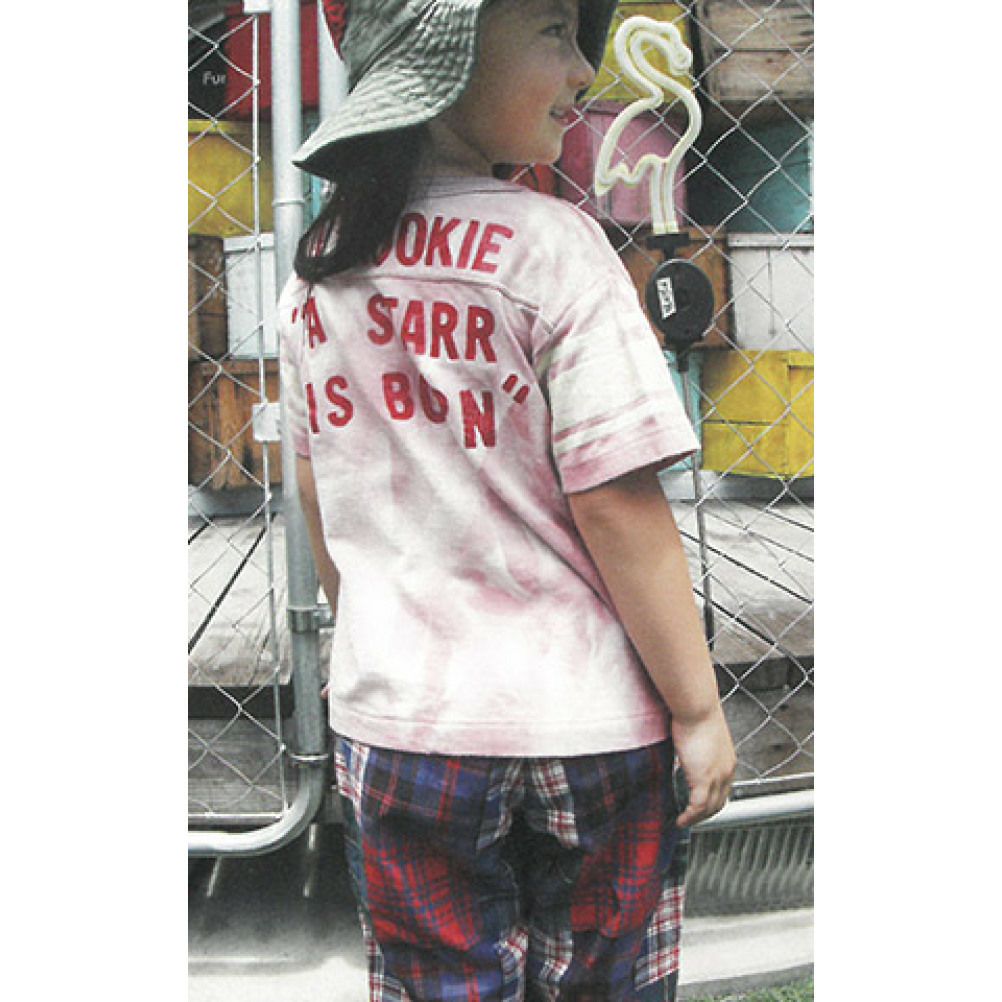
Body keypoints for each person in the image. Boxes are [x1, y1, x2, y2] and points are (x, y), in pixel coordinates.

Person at [278, 0, 737, 998]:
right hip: (586, 725)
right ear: (445, 67)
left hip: (402, 725)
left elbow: (316, 480)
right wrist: (698, 709)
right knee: (603, 981)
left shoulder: (320, 270)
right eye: (553, 35)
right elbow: (617, 504)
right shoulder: (555, 248)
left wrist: (372, 633)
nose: (583, 70)